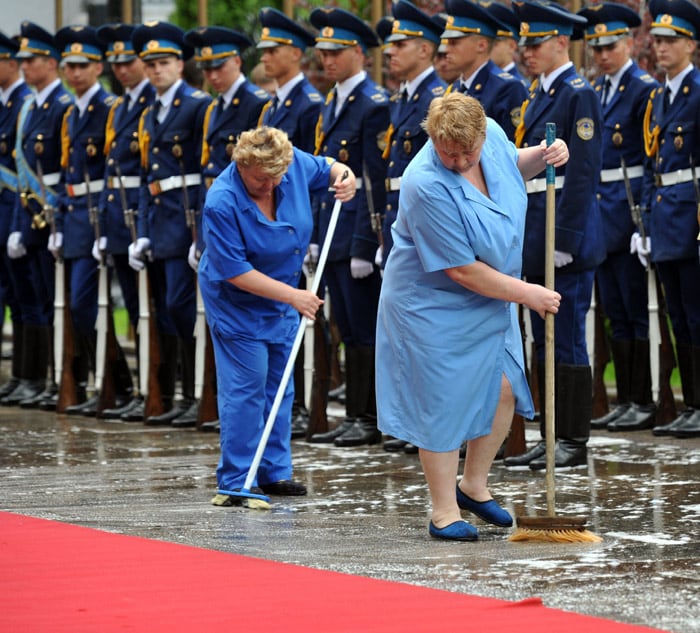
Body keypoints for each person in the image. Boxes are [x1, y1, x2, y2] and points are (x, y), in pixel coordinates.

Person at [376, 92, 566, 541]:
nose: (460, 161)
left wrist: (543, 155)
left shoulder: (493, 136)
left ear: (483, 134)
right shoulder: (424, 182)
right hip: (432, 302)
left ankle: (473, 485)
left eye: (468, 151)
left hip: (491, 294)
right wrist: (529, 294)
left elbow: (505, 170)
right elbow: (460, 269)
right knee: (441, 402)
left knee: (503, 387)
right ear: (432, 140)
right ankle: (443, 511)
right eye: (449, 152)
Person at [199, 126, 356, 505]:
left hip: (285, 293)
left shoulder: (291, 163)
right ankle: (237, 477)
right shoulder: (221, 200)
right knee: (246, 386)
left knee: (281, 382)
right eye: (259, 179)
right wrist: (294, 297)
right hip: (238, 299)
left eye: (277, 177)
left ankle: (274, 470)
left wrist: (344, 178)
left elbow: (330, 168)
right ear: (241, 165)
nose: (270, 185)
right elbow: (234, 269)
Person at [504, 0, 605, 470]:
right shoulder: (540, 92)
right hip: (535, 233)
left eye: (536, 44)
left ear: (561, 43)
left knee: (565, 338)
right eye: (524, 45)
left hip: (563, 238)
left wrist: (563, 238)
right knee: (540, 339)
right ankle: (549, 432)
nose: (528, 52)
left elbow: (583, 174)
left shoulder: (576, 93)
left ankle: (573, 438)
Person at [306, 8, 389, 448]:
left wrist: (363, 242)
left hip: (355, 233)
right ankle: (355, 412)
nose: (328, 60)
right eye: (323, 52)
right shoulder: (333, 104)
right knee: (345, 327)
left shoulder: (373, 105)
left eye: (336, 52)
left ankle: (368, 414)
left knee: (362, 330)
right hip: (331, 230)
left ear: (358, 52)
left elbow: (372, 180)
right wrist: (316, 235)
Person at [577, 3, 660, 433]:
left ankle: (642, 397)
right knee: (614, 310)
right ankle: (626, 397)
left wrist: (643, 220)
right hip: (601, 210)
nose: (602, 54)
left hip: (627, 210)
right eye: (596, 48)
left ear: (629, 43)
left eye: (610, 46)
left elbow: (648, 158)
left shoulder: (642, 88)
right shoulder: (599, 89)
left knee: (635, 308)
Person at [129, 21, 211, 426]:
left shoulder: (197, 105)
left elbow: (203, 172)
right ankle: (179, 393)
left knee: (183, 306)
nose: (155, 70)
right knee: (165, 310)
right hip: (160, 223)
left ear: (180, 65)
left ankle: (198, 392)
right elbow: (148, 179)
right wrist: (141, 231)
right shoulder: (149, 113)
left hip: (186, 221)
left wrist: (201, 231)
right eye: (150, 64)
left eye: (163, 62)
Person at [52, 25, 133, 417]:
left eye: (82, 65)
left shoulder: (110, 109)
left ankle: (119, 382)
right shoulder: (72, 113)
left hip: (102, 216)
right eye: (69, 66)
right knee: (77, 305)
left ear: (98, 67)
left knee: (91, 302)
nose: (74, 73)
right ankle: (109, 382)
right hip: (74, 218)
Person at [378, 0, 446, 455]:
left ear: (425, 49)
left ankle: (433, 427)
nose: (391, 52)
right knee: (406, 335)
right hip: (402, 225)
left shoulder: (437, 99)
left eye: (401, 44)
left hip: (429, 229)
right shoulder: (404, 99)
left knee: (429, 335)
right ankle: (414, 425)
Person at [256, 7, 324, 441]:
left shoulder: (308, 105)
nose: (265, 57)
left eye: (274, 49)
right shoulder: (273, 107)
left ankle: (304, 405)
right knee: (283, 316)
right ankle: (290, 403)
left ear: (296, 54)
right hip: (273, 231)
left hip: (298, 231)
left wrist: (311, 235)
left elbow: (309, 177)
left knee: (307, 320)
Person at [7, 22, 74, 410]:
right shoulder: (33, 109)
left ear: (51, 62)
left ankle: (59, 378)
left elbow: (64, 175)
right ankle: (46, 378)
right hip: (32, 221)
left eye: (31, 60)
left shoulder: (61, 108)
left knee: (58, 303)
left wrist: (60, 225)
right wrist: (19, 226)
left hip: (55, 221)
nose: (24, 67)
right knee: (40, 301)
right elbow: (21, 175)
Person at [642, 0, 700, 439]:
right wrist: (644, 224)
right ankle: (692, 404)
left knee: (697, 315)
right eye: (658, 40)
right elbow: (651, 163)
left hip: (692, 215)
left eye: (671, 41)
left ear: (691, 45)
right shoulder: (660, 96)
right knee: (678, 316)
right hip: (665, 217)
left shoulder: (698, 91)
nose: (661, 48)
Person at [95, 23, 157, 421]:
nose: (121, 70)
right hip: (120, 222)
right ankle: (138, 387)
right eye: (115, 63)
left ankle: (160, 388)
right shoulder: (119, 107)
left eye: (128, 61)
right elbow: (109, 170)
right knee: (135, 311)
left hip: (145, 220)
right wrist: (101, 226)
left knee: (152, 310)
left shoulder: (154, 102)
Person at [441, 0, 527, 141]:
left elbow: (510, 151)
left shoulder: (507, 88)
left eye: (454, 42)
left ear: (481, 45)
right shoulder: (453, 90)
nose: (446, 50)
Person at [0, 31, 31, 403]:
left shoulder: (23, 103)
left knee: (28, 296)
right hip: (5, 214)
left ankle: (33, 376)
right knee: (11, 295)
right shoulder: (8, 104)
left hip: (20, 212)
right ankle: (22, 374)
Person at [484, 1, 528, 87]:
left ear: (512, 46)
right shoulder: (483, 81)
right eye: (486, 42)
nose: (486, 47)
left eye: (494, 43)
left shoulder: (518, 86)